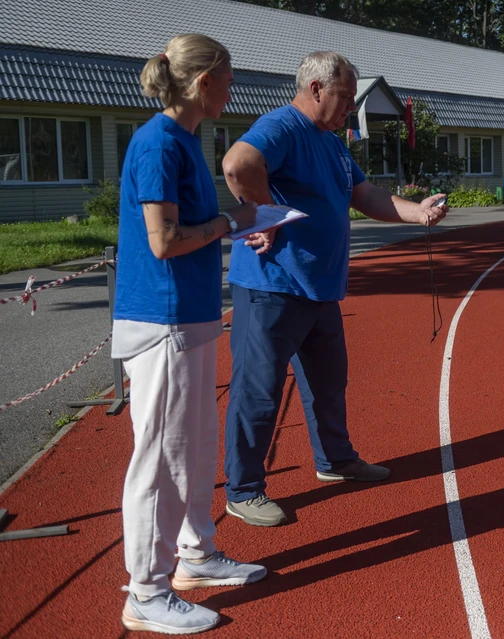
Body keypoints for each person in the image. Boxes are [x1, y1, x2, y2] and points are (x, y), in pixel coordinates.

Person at [220, 50, 447, 527]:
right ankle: (243, 490)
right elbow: (239, 164)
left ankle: (335, 460)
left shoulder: (332, 143)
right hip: (272, 286)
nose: (350, 106)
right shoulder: (282, 126)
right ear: (316, 88)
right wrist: (267, 214)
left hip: (319, 289)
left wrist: (418, 212)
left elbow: (365, 196)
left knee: (328, 383)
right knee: (259, 392)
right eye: (345, 96)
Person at [112, 34, 267, 634]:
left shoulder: (184, 140)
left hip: (193, 315)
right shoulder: (158, 143)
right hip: (163, 319)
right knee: (160, 458)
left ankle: (196, 555)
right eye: (228, 83)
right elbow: (163, 241)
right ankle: (146, 591)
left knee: (197, 445)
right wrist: (231, 222)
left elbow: (187, 229)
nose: (233, 93)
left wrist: (233, 225)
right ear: (203, 84)